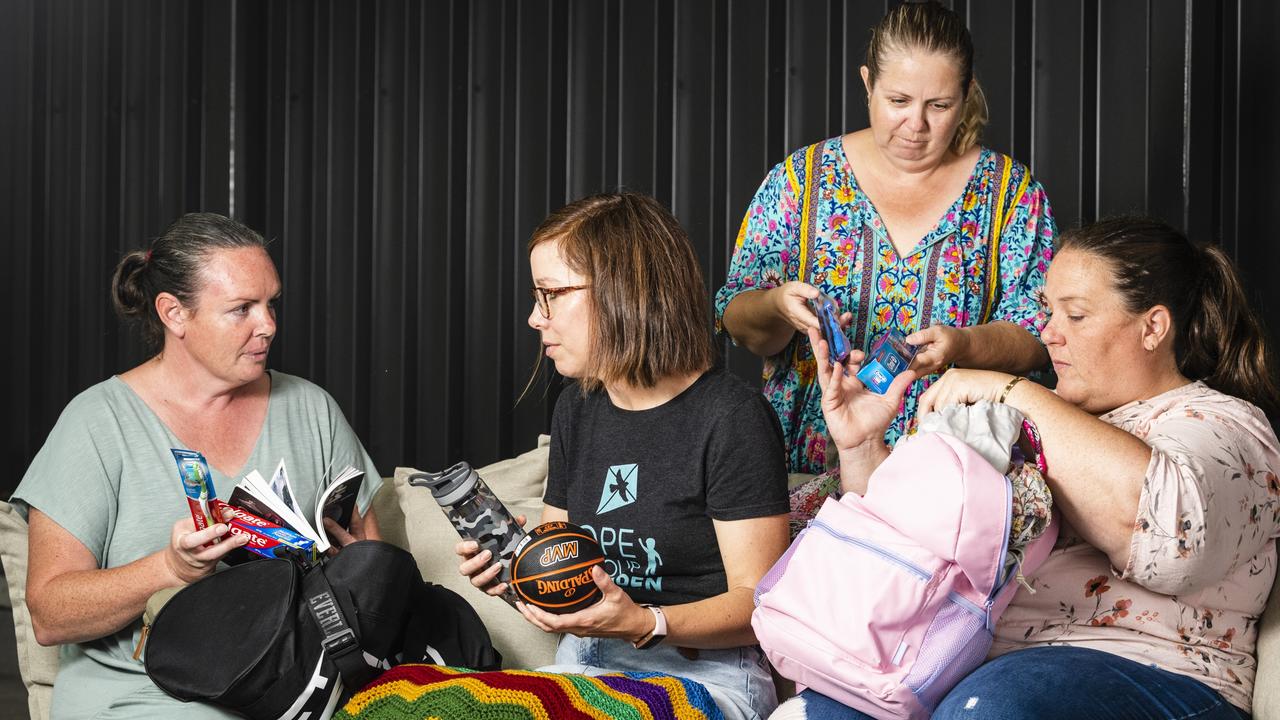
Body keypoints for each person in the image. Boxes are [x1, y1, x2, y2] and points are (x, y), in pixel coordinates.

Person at [779, 217, 1280, 719]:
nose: (1048, 334)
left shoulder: (1223, 424)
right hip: (971, 668)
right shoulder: (1022, 424)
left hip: (1152, 675)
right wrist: (862, 441)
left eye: (1076, 316)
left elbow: (1166, 535)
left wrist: (1011, 389)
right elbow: (907, 551)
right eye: (1048, 311)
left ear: (1152, 327)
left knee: (991, 708)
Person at [13, 213, 383, 720]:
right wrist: (171, 569)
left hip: (304, 688)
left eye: (271, 303)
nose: (268, 325)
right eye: (241, 309)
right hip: (152, 696)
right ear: (173, 313)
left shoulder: (311, 408)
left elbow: (374, 561)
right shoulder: (97, 422)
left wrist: (354, 564)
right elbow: (49, 614)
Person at [457, 193, 792, 720]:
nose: (533, 318)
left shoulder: (731, 416)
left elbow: (760, 605)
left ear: (624, 293)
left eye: (551, 295)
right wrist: (513, 576)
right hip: (584, 668)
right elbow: (564, 585)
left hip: (704, 677)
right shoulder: (578, 407)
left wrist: (644, 623)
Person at [716, 0, 1056, 475]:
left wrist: (962, 343)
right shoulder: (802, 180)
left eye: (938, 105)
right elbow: (736, 320)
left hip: (951, 484)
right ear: (867, 84)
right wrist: (776, 307)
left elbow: (1040, 339)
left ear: (966, 94)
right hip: (802, 474)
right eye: (898, 101)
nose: (915, 125)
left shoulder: (1010, 195)